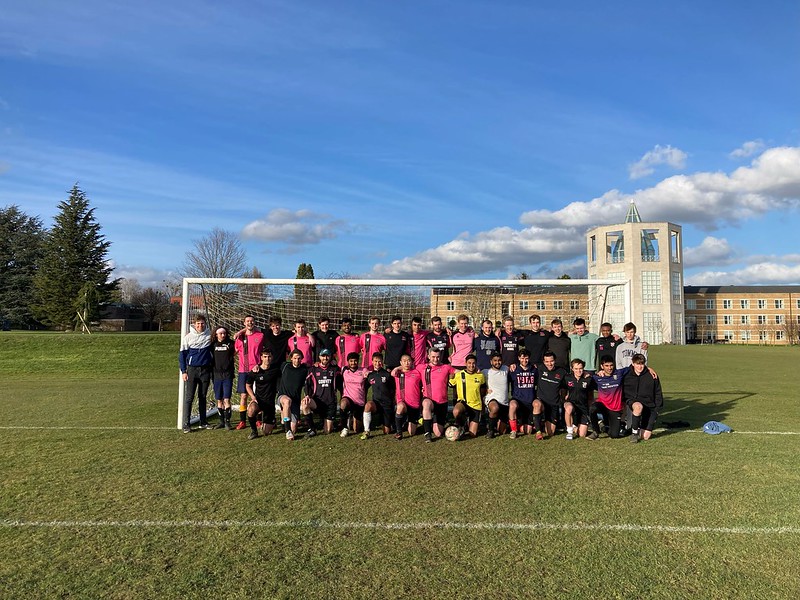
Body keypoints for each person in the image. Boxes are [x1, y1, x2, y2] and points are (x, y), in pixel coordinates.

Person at [179, 314, 213, 433]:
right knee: (189, 397)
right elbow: (182, 356)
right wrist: (184, 371)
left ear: (205, 324)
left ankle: (203, 422)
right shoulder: (188, 337)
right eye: (198, 323)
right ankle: (186, 423)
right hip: (192, 370)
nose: (200, 325)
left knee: (203, 397)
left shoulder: (210, 335)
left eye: (202, 323)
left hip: (205, 370)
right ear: (194, 324)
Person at [623, 353, 664, 442]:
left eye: (642, 364)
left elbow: (658, 392)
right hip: (634, 401)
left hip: (649, 405)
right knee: (638, 407)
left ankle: (638, 427)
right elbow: (612, 373)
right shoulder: (626, 374)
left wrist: (657, 408)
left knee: (645, 437)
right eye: (637, 364)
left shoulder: (652, 375)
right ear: (633, 363)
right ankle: (634, 433)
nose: (640, 367)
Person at [418, 347, 456, 441]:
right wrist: (397, 368)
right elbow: (407, 369)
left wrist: (475, 370)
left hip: (442, 402)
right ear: (428, 356)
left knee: (438, 433)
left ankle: (429, 420)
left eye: (438, 357)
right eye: (433, 357)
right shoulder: (421, 367)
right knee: (426, 404)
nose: (436, 359)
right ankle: (427, 433)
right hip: (429, 399)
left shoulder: (446, 367)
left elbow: (459, 372)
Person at [234, 315, 264, 430]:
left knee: (258, 395)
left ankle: (258, 420)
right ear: (244, 323)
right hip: (243, 370)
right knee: (243, 395)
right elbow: (234, 352)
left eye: (251, 321)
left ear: (254, 323)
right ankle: (242, 421)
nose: (250, 323)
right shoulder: (240, 338)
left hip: (257, 369)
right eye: (247, 321)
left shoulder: (260, 335)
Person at [301, 349, 340, 436]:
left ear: (330, 357)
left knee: (328, 430)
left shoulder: (335, 369)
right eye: (323, 356)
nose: (325, 358)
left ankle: (328, 421)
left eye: (327, 356)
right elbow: (307, 384)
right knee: (304, 403)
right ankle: (312, 429)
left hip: (330, 403)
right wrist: (307, 395)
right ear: (319, 357)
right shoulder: (313, 369)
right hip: (317, 401)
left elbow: (343, 378)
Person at [244, 350, 280, 440]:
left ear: (272, 358)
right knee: (251, 409)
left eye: (269, 357)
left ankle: (272, 421)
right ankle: (254, 431)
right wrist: (253, 397)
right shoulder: (256, 370)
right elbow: (248, 385)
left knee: (266, 432)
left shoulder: (276, 369)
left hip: (270, 403)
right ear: (261, 358)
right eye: (265, 356)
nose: (267, 359)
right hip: (259, 400)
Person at [449, 354, 486, 439]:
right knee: (456, 411)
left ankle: (471, 422)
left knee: (472, 434)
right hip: (463, 403)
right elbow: (450, 384)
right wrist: (451, 377)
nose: (471, 365)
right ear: (465, 363)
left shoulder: (480, 376)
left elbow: (483, 390)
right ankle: (462, 424)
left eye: (473, 363)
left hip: (476, 406)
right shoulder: (459, 375)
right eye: (469, 363)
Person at [277, 349, 310, 440]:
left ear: (302, 359)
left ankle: (285, 418)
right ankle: (288, 431)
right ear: (291, 358)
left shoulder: (304, 369)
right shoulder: (284, 366)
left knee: (294, 429)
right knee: (287, 401)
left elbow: (309, 382)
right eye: (295, 358)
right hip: (283, 396)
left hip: (295, 400)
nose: (297, 360)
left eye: (299, 358)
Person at [533, 351, 566, 439]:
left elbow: (565, 386)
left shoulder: (562, 372)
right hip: (542, 402)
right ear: (543, 362)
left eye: (551, 361)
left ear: (555, 360)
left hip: (553, 404)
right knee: (536, 404)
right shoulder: (539, 368)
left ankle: (541, 422)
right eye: (547, 362)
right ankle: (538, 432)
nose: (549, 364)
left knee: (550, 432)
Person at [392, 354, 424, 440]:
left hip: (414, 405)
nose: (407, 363)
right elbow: (392, 373)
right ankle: (399, 432)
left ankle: (406, 422)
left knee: (411, 433)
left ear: (412, 362)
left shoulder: (417, 372)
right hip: (403, 403)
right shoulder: (398, 373)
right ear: (401, 362)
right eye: (404, 361)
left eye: (409, 360)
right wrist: (398, 368)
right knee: (400, 406)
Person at [364, 353, 395, 439]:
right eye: (375, 361)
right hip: (376, 404)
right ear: (372, 362)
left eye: (379, 361)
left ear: (382, 362)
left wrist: (393, 402)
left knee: (387, 431)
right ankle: (366, 431)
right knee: (368, 406)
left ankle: (387, 422)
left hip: (387, 405)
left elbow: (394, 389)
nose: (378, 363)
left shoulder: (387, 375)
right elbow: (364, 388)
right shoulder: (370, 375)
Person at [564, 358, 596, 440]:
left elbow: (590, 396)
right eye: (576, 369)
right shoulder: (567, 378)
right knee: (569, 408)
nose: (579, 371)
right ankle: (569, 431)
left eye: (581, 368)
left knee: (582, 434)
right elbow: (562, 390)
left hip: (583, 408)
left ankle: (575, 425)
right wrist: (564, 400)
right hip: (571, 404)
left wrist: (590, 408)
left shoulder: (588, 379)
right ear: (572, 369)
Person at [339, 352, 369, 437]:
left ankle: (351, 417)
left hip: (359, 402)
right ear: (348, 361)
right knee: (343, 403)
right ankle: (344, 428)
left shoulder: (363, 370)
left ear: (358, 361)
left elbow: (370, 375)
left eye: (355, 361)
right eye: (351, 361)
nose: (353, 363)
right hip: (348, 398)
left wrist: (368, 375)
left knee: (357, 429)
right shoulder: (344, 370)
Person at [211, 326, 235, 430]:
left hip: (227, 375)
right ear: (216, 334)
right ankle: (221, 421)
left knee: (227, 399)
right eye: (220, 333)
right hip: (216, 375)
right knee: (219, 399)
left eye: (224, 333)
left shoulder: (230, 343)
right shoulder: (212, 345)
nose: (223, 335)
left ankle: (227, 422)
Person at [509, 349, 537, 439]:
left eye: (526, 358)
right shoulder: (514, 369)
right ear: (518, 358)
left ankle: (535, 424)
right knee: (512, 405)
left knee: (527, 431)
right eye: (522, 358)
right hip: (518, 400)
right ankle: (513, 430)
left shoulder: (534, 369)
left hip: (529, 402)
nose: (524, 360)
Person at [482, 351, 510, 439]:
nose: (497, 362)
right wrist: (485, 390)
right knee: (494, 408)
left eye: (499, 360)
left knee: (502, 431)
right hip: (492, 399)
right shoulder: (485, 372)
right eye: (495, 360)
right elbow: (475, 381)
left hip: (504, 402)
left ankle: (495, 422)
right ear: (491, 362)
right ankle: (490, 430)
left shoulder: (506, 369)